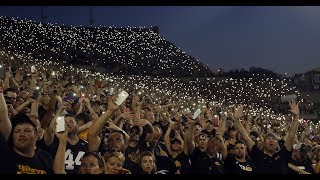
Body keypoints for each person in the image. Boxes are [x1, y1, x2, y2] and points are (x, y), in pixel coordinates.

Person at [233, 100, 300, 174]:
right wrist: (236, 120)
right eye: (268, 138)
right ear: (263, 143)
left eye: (274, 139)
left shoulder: (283, 155)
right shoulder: (258, 155)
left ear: (277, 144)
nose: (271, 140)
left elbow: (291, 135)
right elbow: (246, 138)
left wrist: (296, 118)